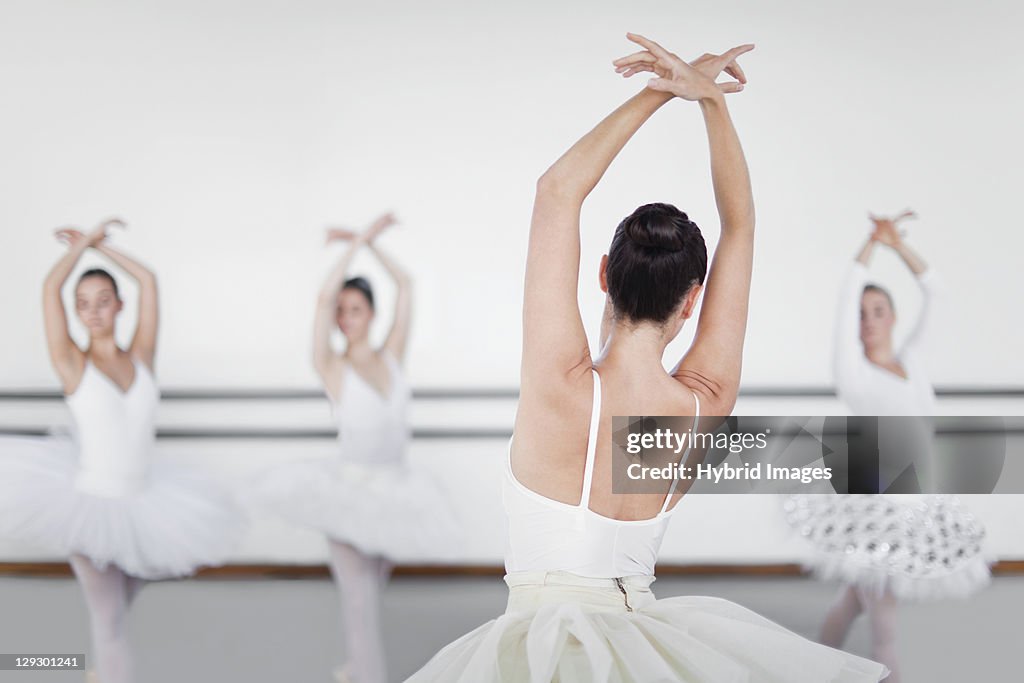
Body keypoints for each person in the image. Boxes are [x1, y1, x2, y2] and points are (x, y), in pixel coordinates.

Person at [408, 34, 888, 682]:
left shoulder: (561, 386)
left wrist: (659, 91)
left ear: (603, 273)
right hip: (646, 645)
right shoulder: (704, 399)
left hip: (538, 646)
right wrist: (711, 102)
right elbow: (740, 225)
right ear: (692, 301)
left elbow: (556, 191)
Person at [0, 218, 246, 683]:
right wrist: (84, 246)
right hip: (90, 504)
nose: (92, 313)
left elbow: (149, 280)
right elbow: (50, 286)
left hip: (145, 503)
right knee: (110, 625)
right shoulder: (71, 361)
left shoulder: (142, 354)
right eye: (83, 305)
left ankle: (97, 672)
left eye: (102, 302)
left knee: (117, 612)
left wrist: (104, 249)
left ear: (119, 305)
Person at [248, 214, 457, 683]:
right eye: (341, 312)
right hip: (346, 494)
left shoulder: (391, 355)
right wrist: (352, 247)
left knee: (368, 598)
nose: (345, 318)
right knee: (359, 605)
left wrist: (369, 242)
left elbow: (405, 284)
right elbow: (322, 300)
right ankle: (367, 676)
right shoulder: (331, 366)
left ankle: (353, 671)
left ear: (372, 314)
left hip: (393, 494)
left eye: (355, 309)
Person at [784, 211, 989, 683]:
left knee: (857, 598)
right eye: (861, 314)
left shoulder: (913, 361)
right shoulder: (853, 375)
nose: (868, 321)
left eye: (878, 311)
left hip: (916, 500)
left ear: (894, 317)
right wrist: (868, 247)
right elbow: (842, 300)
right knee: (885, 625)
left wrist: (896, 245)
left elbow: (937, 292)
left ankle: (809, 664)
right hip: (877, 504)